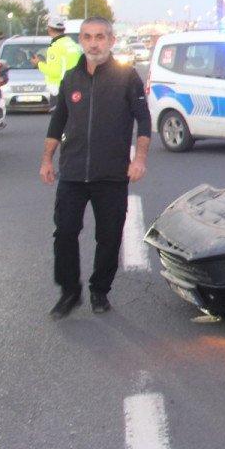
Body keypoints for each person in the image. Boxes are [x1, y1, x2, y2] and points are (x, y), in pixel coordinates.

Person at [39, 16, 151, 318]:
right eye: (87, 37)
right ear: (81, 41)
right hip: (73, 172)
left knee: (109, 236)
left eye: (100, 36)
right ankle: (69, 293)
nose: (93, 42)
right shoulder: (71, 78)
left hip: (111, 174)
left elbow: (144, 120)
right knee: (64, 233)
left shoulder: (127, 77)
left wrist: (139, 160)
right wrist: (47, 159)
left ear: (111, 41)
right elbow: (57, 120)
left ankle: (99, 291)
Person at [32, 16, 82, 102]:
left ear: (49, 29)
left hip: (59, 90)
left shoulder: (55, 47)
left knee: (58, 115)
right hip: (74, 88)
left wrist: (38, 64)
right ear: (63, 29)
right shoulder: (73, 45)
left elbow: (54, 72)